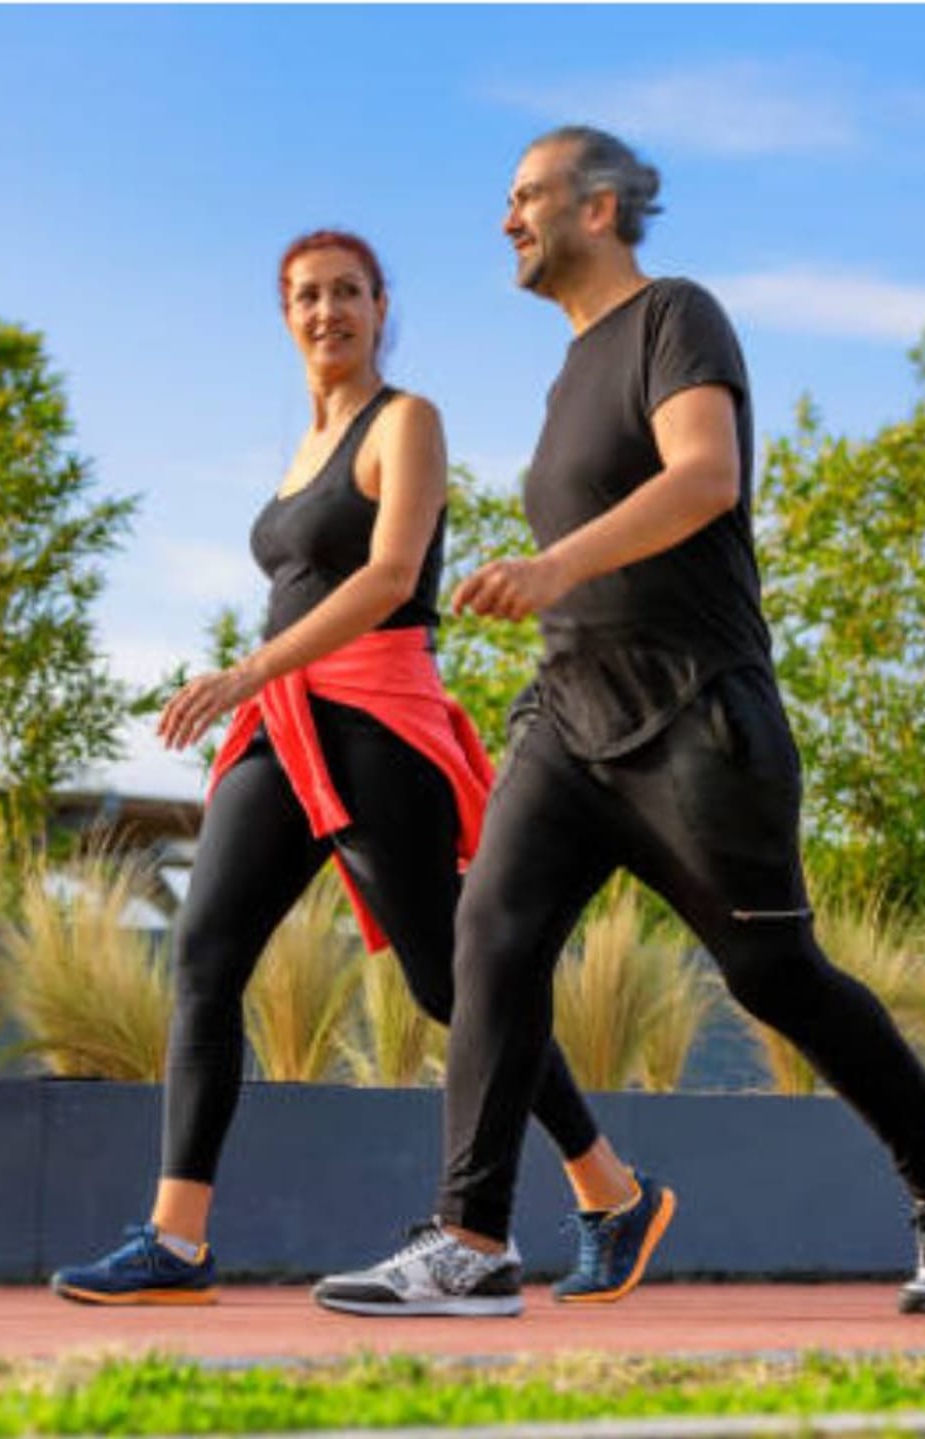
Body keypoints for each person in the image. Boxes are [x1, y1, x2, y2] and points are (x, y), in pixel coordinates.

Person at [313, 129, 925, 1320]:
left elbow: (705, 475)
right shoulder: (569, 373)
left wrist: (553, 566)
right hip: (568, 717)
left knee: (774, 974)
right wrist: (552, 600)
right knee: (490, 933)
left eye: (526, 196)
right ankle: (472, 1237)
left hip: (695, 715)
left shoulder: (674, 317)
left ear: (597, 206)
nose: (506, 219)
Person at [50, 227, 673, 1310]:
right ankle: (177, 1239)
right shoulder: (304, 446)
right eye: (307, 295)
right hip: (283, 727)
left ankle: (609, 1189)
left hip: (377, 720)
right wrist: (262, 686)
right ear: (284, 314)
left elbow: (390, 575)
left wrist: (247, 669)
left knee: (449, 982)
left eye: (348, 292)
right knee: (204, 953)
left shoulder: (406, 421)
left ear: (381, 307)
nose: (327, 310)